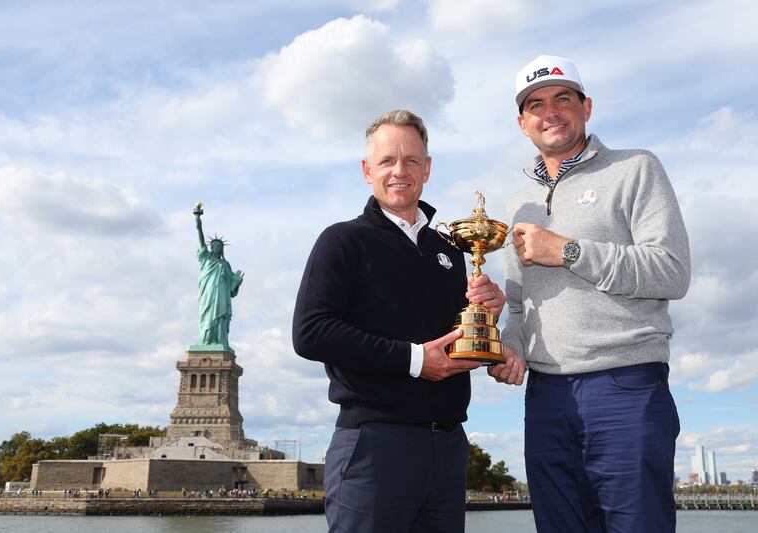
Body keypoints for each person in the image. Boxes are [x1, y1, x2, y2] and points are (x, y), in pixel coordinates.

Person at [490, 55, 691, 532]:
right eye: (535, 105)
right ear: (523, 124)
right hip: (545, 397)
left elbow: (671, 271)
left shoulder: (636, 169)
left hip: (625, 385)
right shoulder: (516, 205)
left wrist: (569, 251)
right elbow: (521, 304)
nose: (550, 112)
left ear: (587, 107)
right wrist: (509, 348)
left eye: (563, 99)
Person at [293, 109, 506, 532]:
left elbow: (453, 340)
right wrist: (414, 360)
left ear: (426, 169)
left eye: (411, 160)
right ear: (366, 169)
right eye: (387, 160)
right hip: (374, 442)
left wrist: (492, 325)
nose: (399, 171)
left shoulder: (450, 251)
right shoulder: (342, 240)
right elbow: (311, 332)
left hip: (447, 446)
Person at [194, 205, 244, 351]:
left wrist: (237, 282)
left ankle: (221, 341)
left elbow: (231, 287)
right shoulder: (206, 257)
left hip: (221, 294)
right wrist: (198, 221)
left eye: (218, 246)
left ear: (221, 249)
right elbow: (201, 240)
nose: (215, 248)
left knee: (221, 316)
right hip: (208, 293)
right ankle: (206, 341)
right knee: (208, 314)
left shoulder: (225, 264)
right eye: (214, 245)